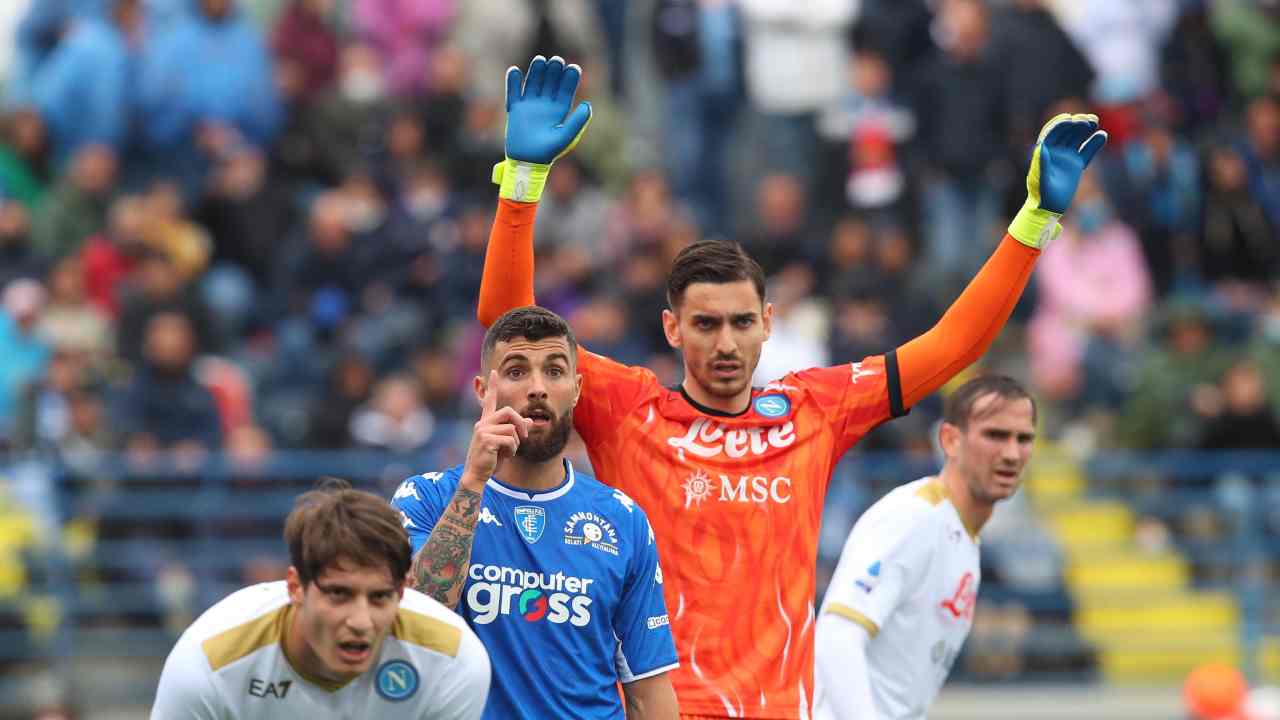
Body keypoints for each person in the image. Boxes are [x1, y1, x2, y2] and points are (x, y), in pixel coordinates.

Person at [477, 55, 1105, 718]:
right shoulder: (628, 409)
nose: (725, 343)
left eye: (742, 322)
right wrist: (522, 183)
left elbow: (954, 345)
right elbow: (509, 323)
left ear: (768, 324)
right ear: (672, 329)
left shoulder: (815, 410)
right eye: (706, 324)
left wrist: (1034, 222)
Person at [392, 306, 680, 719]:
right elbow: (418, 620)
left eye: (555, 371)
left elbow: (648, 691)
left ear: (577, 389)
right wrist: (474, 480)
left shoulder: (623, 520)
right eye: (515, 372)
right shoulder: (425, 498)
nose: (538, 388)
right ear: (480, 390)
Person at [151, 479, 491, 719]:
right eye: (338, 594)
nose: (360, 621)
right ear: (296, 587)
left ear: (402, 592)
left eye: (379, 597)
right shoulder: (209, 664)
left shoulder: (453, 660)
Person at [812, 375, 1037, 719]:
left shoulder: (963, 537)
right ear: (950, 440)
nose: (1011, 453)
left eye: (1023, 439)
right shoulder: (915, 518)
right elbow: (837, 635)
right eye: (995, 435)